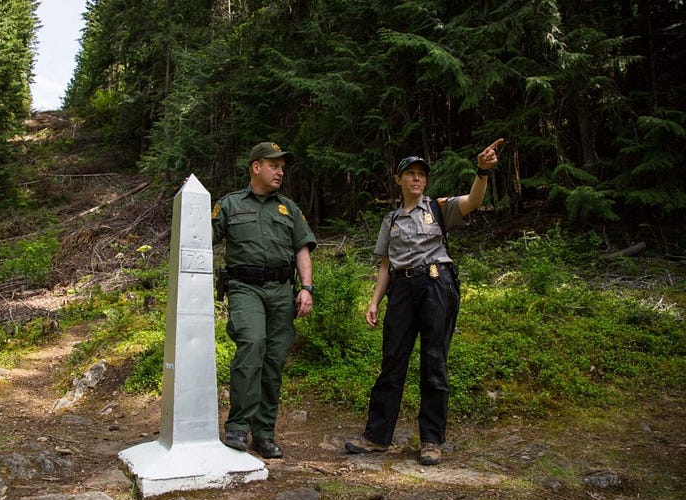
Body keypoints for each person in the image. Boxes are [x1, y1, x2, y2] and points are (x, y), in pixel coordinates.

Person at [345, 139, 504, 465]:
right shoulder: (390, 220)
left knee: (434, 361)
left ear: (426, 181)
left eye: (421, 174)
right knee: (392, 361)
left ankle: (431, 440)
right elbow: (386, 265)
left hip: (435, 285)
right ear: (399, 179)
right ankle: (376, 436)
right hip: (401, 292)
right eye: (410, 174)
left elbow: (473, 200)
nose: (416, 178)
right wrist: (374, 301)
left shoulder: (437, 207)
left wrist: (482, 171)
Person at [211, 141, 317, 459]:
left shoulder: (289, 208)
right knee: (252, 344)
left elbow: (302, 248)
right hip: (246, 288)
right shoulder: (230, 204)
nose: (280, 171)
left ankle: (264, 433)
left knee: (273, 360)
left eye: (283, 166)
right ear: (256, 167)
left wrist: (306, 288)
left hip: (282, 291)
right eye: (274, 165)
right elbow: (199, 237)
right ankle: (238, 427)